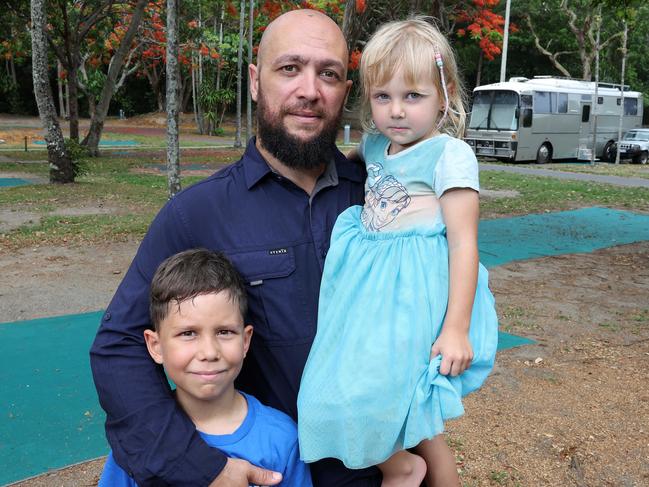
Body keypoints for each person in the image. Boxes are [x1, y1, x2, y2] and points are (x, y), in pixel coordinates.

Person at [90, 8, 381, 487]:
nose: (309, 90)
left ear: (345, 92)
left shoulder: (382, 200)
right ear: (254, 80)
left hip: (382, 470)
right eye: (289, 68)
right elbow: (119, 345)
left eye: (328, 73)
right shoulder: (197, 214)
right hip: (267, 471)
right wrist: (200, 469)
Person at [297, 17, 499, 487]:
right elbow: (349, 165)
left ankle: (402, 468)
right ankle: (405, 465)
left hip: (414, 297)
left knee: (391, 398)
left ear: (444, 92)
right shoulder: (374, 145)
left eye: (413, 96)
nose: (397, 111)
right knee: (384, 403)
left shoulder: (449, 155)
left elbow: (464, 243)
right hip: (368, 296)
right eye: (383, 96)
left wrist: (455, 329)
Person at [98, 249, 312, 487]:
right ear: (155, 346)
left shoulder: (281, 438)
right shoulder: (140, 441)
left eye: (224, 332)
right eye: (188, 333)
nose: (209, 352)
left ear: (245, 340)